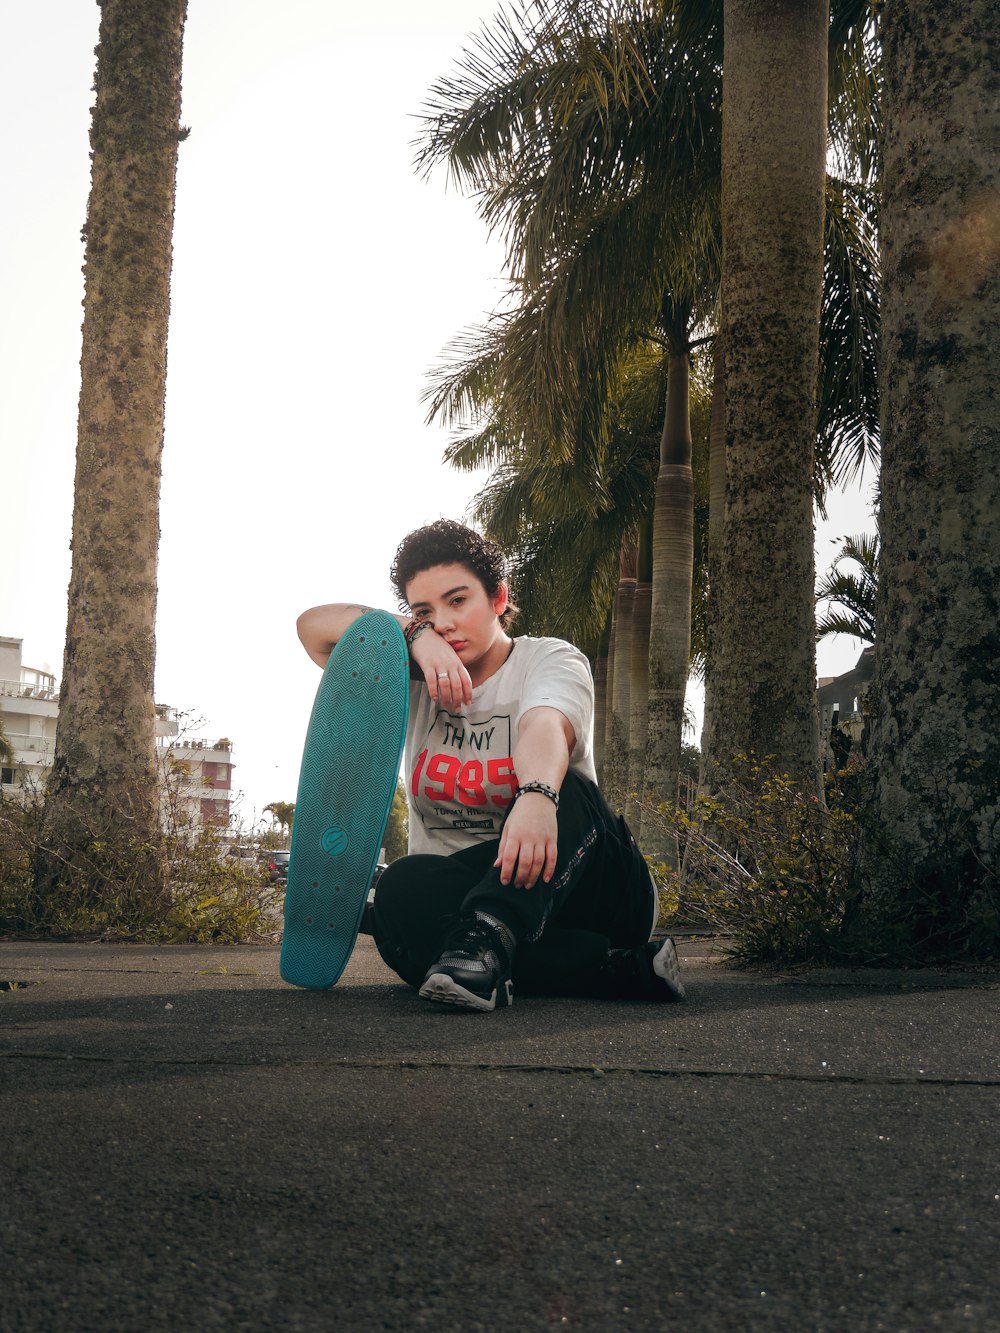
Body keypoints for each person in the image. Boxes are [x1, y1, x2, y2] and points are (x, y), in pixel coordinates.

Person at [296, 519, 685, 1013]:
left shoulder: (549, 660)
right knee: (399, 888)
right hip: (472, 882)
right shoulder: (409, 678)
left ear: (498, 598)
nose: (444, 622)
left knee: (571, 791)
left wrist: (537, 794)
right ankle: (608, 969)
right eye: (425, 610)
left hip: (592, 885)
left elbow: (544, 727)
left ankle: (488, 937)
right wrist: (415, 636)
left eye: (458, 601)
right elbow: (314, 628)